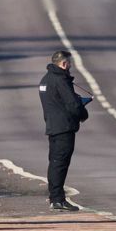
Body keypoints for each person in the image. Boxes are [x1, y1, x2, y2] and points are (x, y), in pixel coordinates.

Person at [39, 50, 89, 211]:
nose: (70, 67)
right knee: (60, 163)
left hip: (52, 126)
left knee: (55, 162)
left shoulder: (45, 79)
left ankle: (55, 197)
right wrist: (83, 113)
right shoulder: (61, 80)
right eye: (70, 64)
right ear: (64, 64)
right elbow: (72, 103)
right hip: (64, 127)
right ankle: (57, 199)